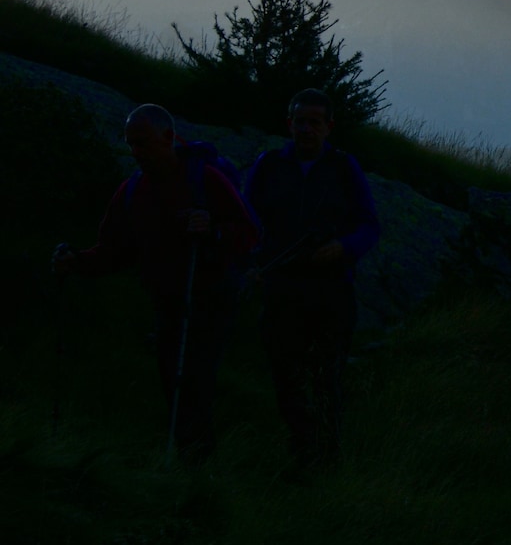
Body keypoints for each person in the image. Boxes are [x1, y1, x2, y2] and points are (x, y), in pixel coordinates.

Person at [53, 104, 259, 462]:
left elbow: (250, 235)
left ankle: (194, 469)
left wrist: (213, 228)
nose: (136, 151)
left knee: (191, 381)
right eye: (131, 144)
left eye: (143, 143)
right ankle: (192, 469)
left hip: (209, 297)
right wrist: (78, 262)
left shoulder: (206, 179)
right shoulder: (132, 191)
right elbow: (115, 250)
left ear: (168, 138)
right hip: (167, 300)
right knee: (174, 379)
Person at [242, 88, 380, 470]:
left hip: (330, 290)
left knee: (326, 376)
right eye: (300, 121)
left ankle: (325, 456)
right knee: (285, 374)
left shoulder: (343, 167)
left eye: (314, 122)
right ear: (289, 123)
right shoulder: (268, 165)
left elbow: (370, 225)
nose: (306, 129)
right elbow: (245, 221)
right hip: (281, 288)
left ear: (328, 127)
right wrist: (249, 263)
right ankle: (303, 449)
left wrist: (344, 247)